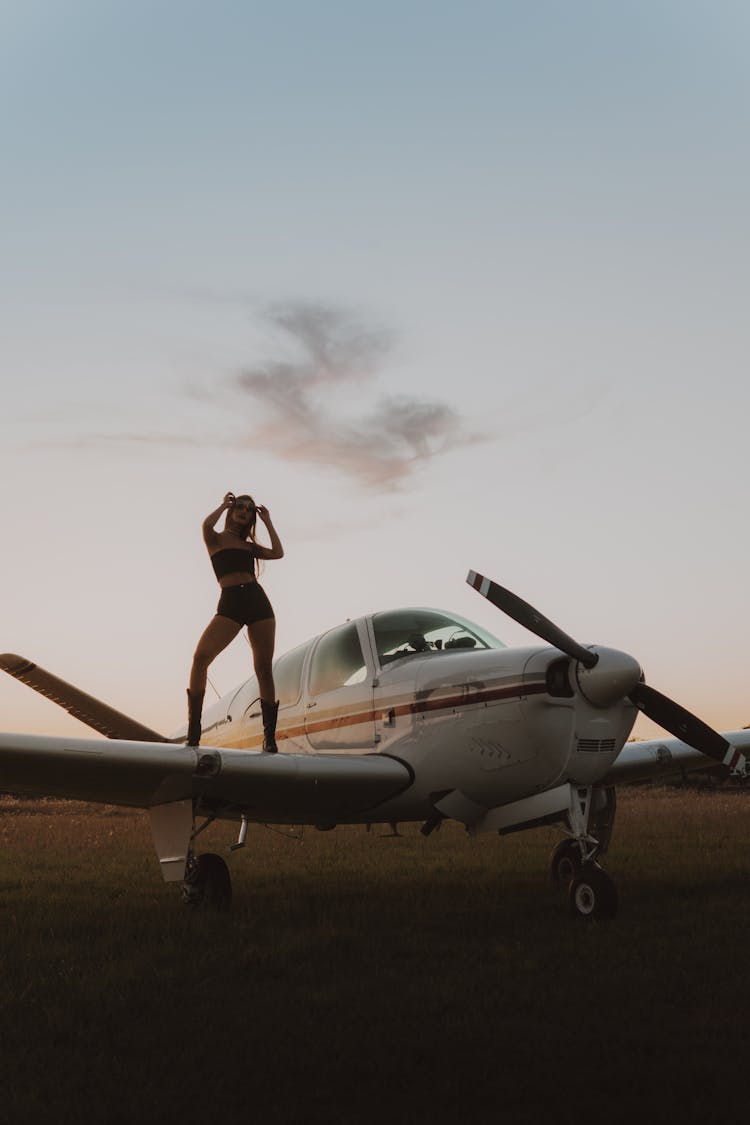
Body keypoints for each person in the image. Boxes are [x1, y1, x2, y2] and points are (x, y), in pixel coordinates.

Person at [187, 492, 284, 751]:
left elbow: (277, 552)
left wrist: (267, 521)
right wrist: (222, 505)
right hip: (230, 602)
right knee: (200, 658)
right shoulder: (215, 538)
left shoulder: (249, 546)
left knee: (263, 668)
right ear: (231, 510)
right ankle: (193, 733)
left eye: (249, 509)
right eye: (239, 506)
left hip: (256, 601)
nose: (244, 510)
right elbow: (206, 525)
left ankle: (270, 739)